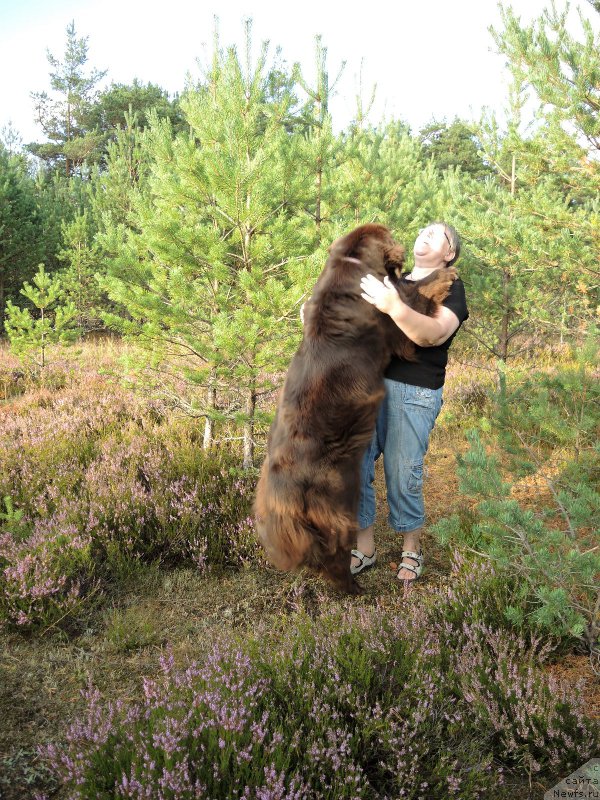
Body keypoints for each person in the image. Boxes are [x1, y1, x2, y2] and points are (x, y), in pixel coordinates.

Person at [352, 222, 468, 586]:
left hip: (414, 392)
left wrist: (392, 306)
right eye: (423, 230)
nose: (425, 234)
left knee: (404, 473)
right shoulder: (390, 281)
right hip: (368, 385)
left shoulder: (452, 288)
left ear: (448, 253)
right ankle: (365, 547)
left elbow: (432, 335)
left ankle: (411, 548)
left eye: (437, 234)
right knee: (353, 464)